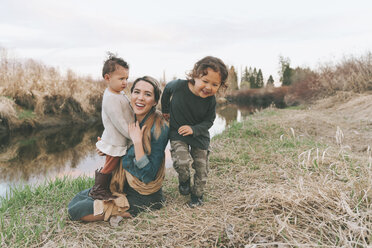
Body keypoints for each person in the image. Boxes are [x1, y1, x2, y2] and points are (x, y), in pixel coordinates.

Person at [68, 76, 169, 223]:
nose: (140, 98)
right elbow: (124, 152)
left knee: (77, 211)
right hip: (123, 186)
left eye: (147, 94)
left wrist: (138, 142)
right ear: (131, 94)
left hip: (143, 195)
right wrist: (109, 149)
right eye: (136, 92)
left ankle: (126, 211)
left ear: (154, 101)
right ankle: (117, 206)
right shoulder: (129, 118)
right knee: (79, 199)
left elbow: (148, 175)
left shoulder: (160, 127)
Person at [161, 56, 228, 207]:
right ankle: (184, 180)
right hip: (178, 132)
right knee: (182, 162)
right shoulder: (178, 86)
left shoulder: (210, 100)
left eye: (215, 84)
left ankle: (197, 196)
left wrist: (194, 129)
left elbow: (209, 121)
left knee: (201, 168)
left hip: (199, 136)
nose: (209, 87)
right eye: (205, 81)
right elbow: (166, 91)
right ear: (195, 76)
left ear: (220, 86)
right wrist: (165, 110)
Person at [89, 54, 134, 200]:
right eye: (121, 79)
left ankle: (108, 187)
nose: (125, 82)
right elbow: (119, 122)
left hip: (118, 138)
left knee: (112, 164)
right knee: (110, 164)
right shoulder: (111, 98)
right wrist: (133, 136)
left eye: (126, 78)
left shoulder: (118, 94)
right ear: (107, 78)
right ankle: (98, 189)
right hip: (116, 139)